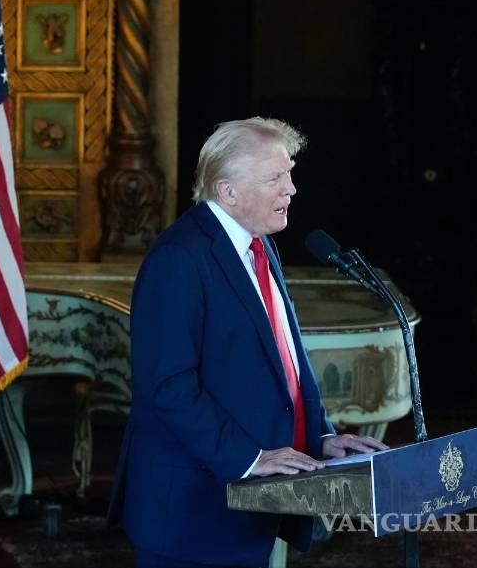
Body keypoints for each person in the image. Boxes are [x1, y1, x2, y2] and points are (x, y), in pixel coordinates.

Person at [108, 117, 387, 568]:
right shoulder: (178, 260)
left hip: (252, 506)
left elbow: (284, 362)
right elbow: (167, 387)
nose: (291, 189)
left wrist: (319, 438)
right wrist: (249, 458)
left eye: (290, 173)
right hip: (193, 515)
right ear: (228, 191)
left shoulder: (259, 246)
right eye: (275, 178)